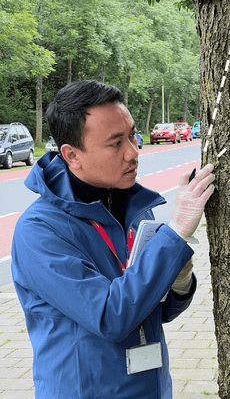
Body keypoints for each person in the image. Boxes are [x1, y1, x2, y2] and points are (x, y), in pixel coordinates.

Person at [11, 80, 215, 399]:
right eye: (115, 143)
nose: (133, 152)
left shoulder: (128, 205)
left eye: (133, 135)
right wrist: (175, 234)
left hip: (149, 388)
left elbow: (153, 310)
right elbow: (110, 316)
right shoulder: (39, 231)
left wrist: (179, 282)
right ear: (72, 155)